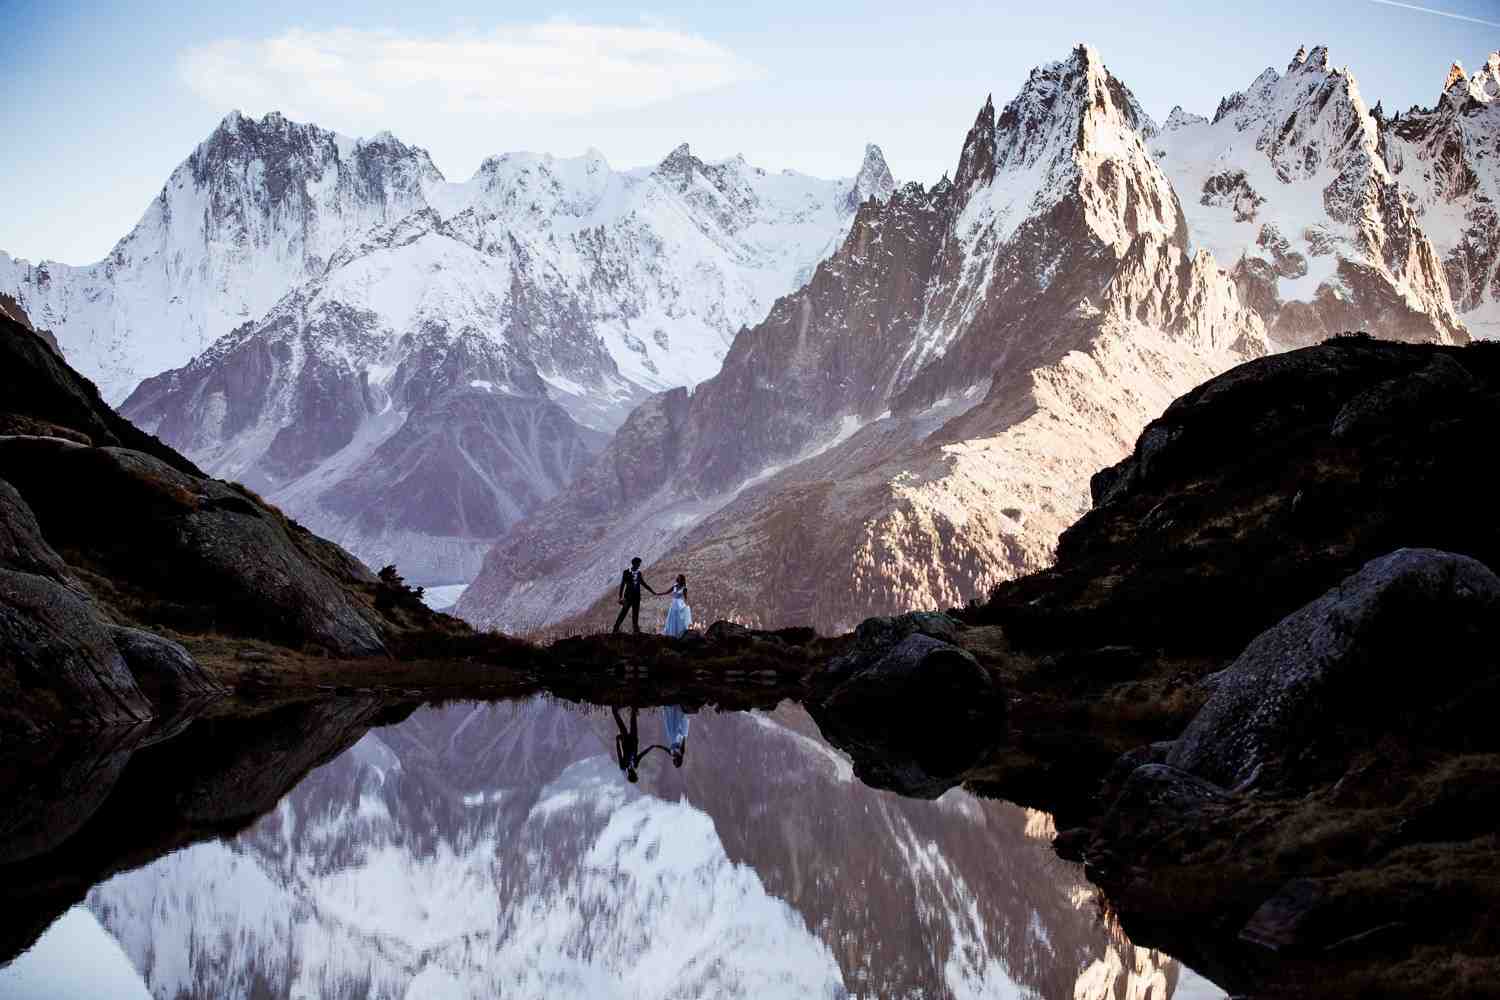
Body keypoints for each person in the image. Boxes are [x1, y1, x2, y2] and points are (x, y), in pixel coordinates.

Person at [612, 557, 659, 634]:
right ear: (634, 564)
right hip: (628, 597)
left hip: (637, 597)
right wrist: (620, 597)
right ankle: (615, 629)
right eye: (638, 564)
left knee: (635, 613)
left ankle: (635, 630)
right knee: (623, 613)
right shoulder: (626, 572)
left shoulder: (639, 573)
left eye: (639, 564)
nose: (639, 565)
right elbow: (622, 584)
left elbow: (643, 583)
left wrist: (652, 591)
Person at [612, 706, 641, 783]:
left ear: (629, 775)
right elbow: (637, 753)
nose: (633, 773)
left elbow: (619, 753)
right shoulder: (635, 765)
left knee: (621, 725)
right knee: (633, 721)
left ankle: (615, 710)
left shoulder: (623, 767)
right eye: (634, 774)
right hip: (633, 741)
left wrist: (617, 741)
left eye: (632, 774)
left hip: (626, 743)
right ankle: (632, 707)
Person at [662, 574, 692, 638]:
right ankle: (672, 634)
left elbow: (686, 598)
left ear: (682, 580)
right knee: (672, 618)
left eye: (679, 578)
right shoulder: (674, 586)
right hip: (674, 604)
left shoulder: (684, 588)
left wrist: (687, 606)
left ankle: (679, 634)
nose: (678, 579)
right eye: (678, 578)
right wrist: (659, 594)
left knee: (679, 619)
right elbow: (667, 592)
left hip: (680, 604)